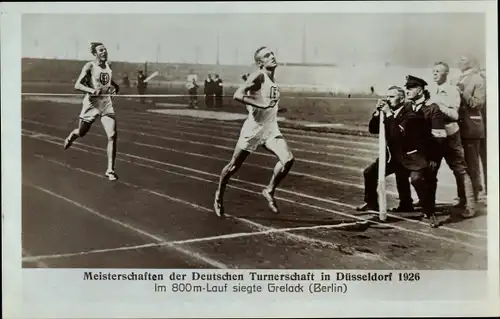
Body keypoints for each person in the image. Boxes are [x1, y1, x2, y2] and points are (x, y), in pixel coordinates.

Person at [213, 46, 294, 217]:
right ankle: (219, 195)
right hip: (253, 129)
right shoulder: (258, 75)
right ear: (260, 62)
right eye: (267, 55)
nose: (272, 56)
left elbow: (265, 100)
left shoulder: (272, 80)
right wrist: (262, 105)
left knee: (288, 160)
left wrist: (275, 109)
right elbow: (237, 94)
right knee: (233, 166)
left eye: (272, 53)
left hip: (270, 128)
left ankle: (269, 190)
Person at [63, 42, 120, 181]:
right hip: (91, 104)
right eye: (101, 50)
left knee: (112, 135)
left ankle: (110, 170)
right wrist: (92, 90)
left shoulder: (109, 65)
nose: (104, 52)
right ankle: (72, 136)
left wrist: (115, 87)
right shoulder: (89, 66)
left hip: (105, 103)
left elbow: (107, 79)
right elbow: (77, 85)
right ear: (95, 53)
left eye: (105, 49)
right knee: (81, 132)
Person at [357, 86, 416, 215]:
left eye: (392, 97)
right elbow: (373, 129)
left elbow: (396, 134)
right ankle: (371, 203)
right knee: (370, 173)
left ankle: (407, 204)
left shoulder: (409, 113)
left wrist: (388, 114)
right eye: (387, 97)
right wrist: (377, 113)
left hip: (406, 155)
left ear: (401, 99)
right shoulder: (387, 112)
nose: (388, 100)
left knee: (403, 177)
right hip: (390, 155)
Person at [430, 62, 476, 218]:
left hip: (450, 134)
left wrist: (437, 106)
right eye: (434, 71)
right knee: (431, 169)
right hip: (436, 135)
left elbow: (455, 115)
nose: (435, 73)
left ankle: (470, 205)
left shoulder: (452, 90)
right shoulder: (433, 90)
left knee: (460, 169)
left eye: (438, 71)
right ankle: (428, 204)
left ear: (446, 74)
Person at [405, 75, 447, 227]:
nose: (407, 91)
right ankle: (416, 205)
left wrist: (434, 158)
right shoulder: (407, 107)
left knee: (424, 179)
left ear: (420, 90)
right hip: (412, 154)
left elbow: (440, 137)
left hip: (430, 153)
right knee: (415, 179)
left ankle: (430, 212)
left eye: (410, 88)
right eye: (407, 88)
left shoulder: (432, 109)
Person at [455, 56, 486, 202]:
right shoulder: (458, 78)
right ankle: (463, 197)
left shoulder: (478, 79)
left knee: (472, 165)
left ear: (471, 62)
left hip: (471, 127)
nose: (459, 62)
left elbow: (478, 104)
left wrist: (463, 94)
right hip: (458, 127)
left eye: (463, 59)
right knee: (461, 164)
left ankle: (473, 198)